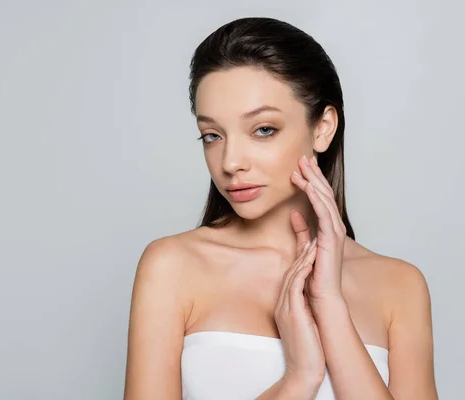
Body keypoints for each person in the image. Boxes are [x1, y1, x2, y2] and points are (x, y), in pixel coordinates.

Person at [123, 17, 438, 400]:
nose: (230, 161)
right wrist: (299, 377)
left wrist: (331, 310)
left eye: (263, 129)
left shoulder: (400, 287)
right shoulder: (172, 266)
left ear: (322, 128)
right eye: (212, 135)